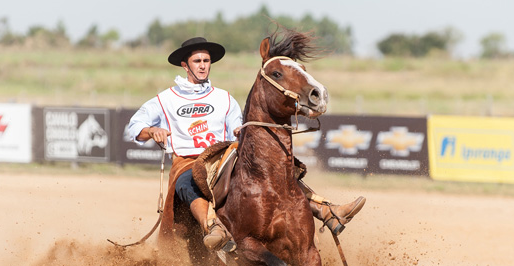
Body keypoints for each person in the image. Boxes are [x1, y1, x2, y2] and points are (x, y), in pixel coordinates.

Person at [128, 37, 365, 251]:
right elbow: (134, 127)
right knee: (186, 180)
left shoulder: (224, 98)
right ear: (185, 64)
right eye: (197, 60)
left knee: (273, 172)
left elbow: (236, 128)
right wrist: (151, 130)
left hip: (224, 156)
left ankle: (325, 210)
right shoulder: (165, 99)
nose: (202, 65)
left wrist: (244, 131)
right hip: (188, 161)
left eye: (206, 60)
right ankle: (211, 226)